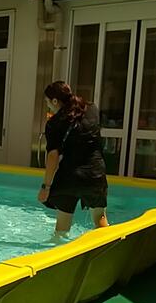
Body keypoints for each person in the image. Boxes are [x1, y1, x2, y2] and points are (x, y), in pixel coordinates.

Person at [38, 81, 109, 236]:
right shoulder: (92, 109)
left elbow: (53, 156)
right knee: (100, 220)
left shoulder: (54, 123)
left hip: (69, 177)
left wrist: (46, 187)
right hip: (95, 173)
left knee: (62, 229)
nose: (48, 105)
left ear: (55, 101)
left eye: (47, 102)